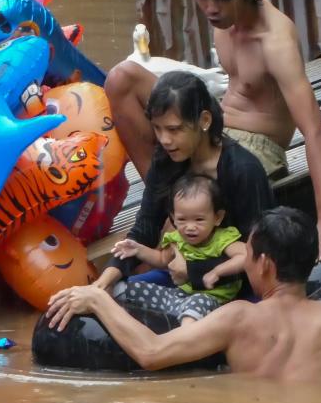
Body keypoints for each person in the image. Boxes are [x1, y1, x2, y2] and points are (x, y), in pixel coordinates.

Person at [105, 0, 321, 261]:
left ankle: (182, 216)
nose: (211, 8)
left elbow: (314, 130)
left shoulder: (275, 41)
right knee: (121, 80)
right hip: (216, 123)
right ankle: (169, 205)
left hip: (257, 146)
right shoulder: (224, 21)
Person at [46, 207, 321, 383]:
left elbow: (151, 353)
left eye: (249, 254)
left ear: (266, 265)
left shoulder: (239, 318)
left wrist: (98, 299)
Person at [92, 70, 275, 293]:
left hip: (231, 288)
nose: (164, 140)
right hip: (183, 279)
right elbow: (146, 227)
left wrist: (193, 270)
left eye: (174, 129)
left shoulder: (243, 170)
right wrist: (105, 280)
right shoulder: (166, 160)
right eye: (157, 128)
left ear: (204, 121)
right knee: (120, 292)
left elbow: (259, 254)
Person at [112, 174, 247, 325]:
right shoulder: (177, 238)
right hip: (179, 297)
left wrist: (217, 271)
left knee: (196, 304)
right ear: (173, 217)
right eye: (182, 219)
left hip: (214, 303)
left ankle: (185, 338)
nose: (190, 227)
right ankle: (118, 322)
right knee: (122, 288)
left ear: (217, 217)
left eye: (199, 219)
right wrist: (138, 250)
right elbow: (162, 259)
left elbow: (246, 255)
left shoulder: (222, 238)